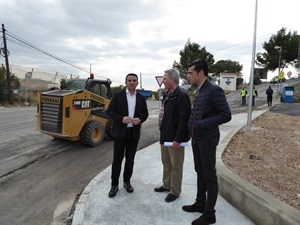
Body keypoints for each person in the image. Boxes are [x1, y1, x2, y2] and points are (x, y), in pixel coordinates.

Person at [182, 59, 232, 225]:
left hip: (208, 139)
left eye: (190, 73)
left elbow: (226, 115)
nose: (188, 76)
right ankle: (200, 203)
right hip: (197, 138)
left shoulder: (214, 90)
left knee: (209, 175)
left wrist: (202, 124)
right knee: (199, 171)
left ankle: (210, 215)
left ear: (200, 73)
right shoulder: (200, 90)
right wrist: (191, 129)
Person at [106, 73, 149, 198]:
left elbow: (145, 114)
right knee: (117, 160)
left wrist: (140, 120)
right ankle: (114, 185)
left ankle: (127, 182)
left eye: (134, 80)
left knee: (130, 160)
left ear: (137, 83)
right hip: (120, 133)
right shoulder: (117, 96)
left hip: (133, 134)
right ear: (125, 82)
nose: (132, 82)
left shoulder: (141, 98)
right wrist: (121, 119)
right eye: (129, 80)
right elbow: (109, 111)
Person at [154, 69, 191, 202]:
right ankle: (167, 184)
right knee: (166, 163)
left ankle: (175, 191)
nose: (163, 81)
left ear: (172, 79)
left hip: (175, 138)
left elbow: (184, 120)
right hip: (165, 135)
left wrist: (178, 139)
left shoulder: (181, 96)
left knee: (176, 165)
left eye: (165, 78)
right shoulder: (168, 94)